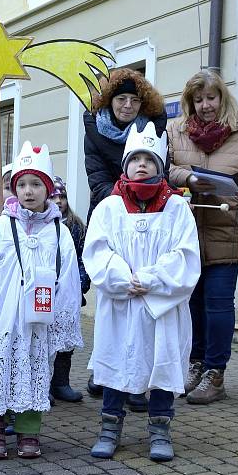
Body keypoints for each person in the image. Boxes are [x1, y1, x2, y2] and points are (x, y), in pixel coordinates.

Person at [0, 141, 83, 459]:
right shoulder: (1, 227)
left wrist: (63, 319)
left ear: (48, 188)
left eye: (36, 184)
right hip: (3, 316)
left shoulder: (60, 232)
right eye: (23, 184)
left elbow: (67, 277)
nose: (29, 191)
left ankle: (29, 429)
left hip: (38, 317)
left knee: (36, 368)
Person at [84, 122, 200, 462]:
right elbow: (97, 250)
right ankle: (109, 427)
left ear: (160, 166)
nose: (142, 164)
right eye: (135, 158)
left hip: (160, 306)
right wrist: (123, 278)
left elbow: (186, 255)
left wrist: (148, 278)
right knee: (117, 363)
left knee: (161, 364)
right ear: (125, 164)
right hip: (122, 303)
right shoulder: (109, 207)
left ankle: (160, 429)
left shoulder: (176, 208)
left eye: (149, 159)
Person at [167, 69, 238, 405]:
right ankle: (195, 364)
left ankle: (216, 373)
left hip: (228, 229)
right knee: (193, 302)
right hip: (186, 231)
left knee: (217, 303)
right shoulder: (175, 131)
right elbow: (164, 167)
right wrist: (188, 177)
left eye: (210, 98)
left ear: (222, 98)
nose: (204, 106)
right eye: (197, 100)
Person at [83, 67, 166, 409]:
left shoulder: (151, 128)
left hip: (147, 218)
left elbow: (160, 167)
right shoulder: (93, 127)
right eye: (121, 99)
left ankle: (139, 378)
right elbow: (96, 174)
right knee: (111, 299)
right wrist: (122, 199)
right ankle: (104, 370)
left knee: (142, 301)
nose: (128, 106)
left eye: (134, 100)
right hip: (110, 213)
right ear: (110, 101)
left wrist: (144, 199)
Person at [48, 176, 90, 403]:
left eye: (62, 197)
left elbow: (83, 258)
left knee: (65, 338)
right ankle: (43, 383)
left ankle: (61, 382)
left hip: (70, 291)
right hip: (45, 292)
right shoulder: (44, 226)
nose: (58, 201)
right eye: (53, 197)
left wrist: (81, 282)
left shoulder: (75, 225)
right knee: (43, 338)